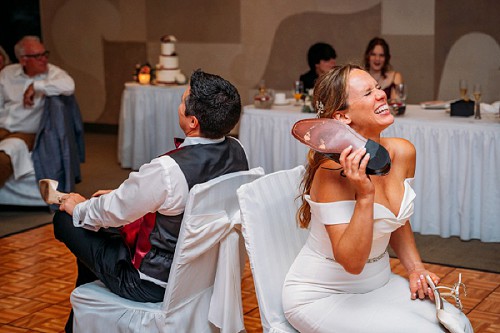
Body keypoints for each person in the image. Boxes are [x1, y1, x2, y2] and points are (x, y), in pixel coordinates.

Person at [52, 69, 249, 332]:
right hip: (201, 273)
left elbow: (111, 213)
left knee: (67, 220)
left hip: (150, 283)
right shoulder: (237, 151)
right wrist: (118, 197)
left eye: (182, 100)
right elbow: (168, 203)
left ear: (192, 122)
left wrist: (78, 206)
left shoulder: (168, 170)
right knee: (95, 234)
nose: (179, 105)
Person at [282, 64, 473, 332]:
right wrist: (365, 196)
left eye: (378, 88)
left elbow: (398, 219)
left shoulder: (403, 152)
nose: (382, 95)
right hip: (323, 294)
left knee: (458, 323)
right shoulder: (330, 174)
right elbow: (352, 263)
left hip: (379, 282)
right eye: (368, 93)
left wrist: (415, 268)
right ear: (343, 116)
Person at [0, 36, 75, 188]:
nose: (43, 59)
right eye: (37, 56)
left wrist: (36, 86)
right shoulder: (8, 73)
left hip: (26, 132)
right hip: (2, 127)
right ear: (23, 60)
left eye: (44, 54)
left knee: (3, 157)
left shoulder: (52, 73)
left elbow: (69, 86)